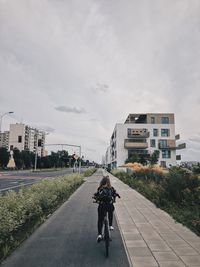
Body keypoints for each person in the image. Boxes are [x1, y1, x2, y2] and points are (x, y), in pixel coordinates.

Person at [93, 175, 120, 242]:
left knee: (100, 219)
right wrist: (116, 196)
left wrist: (95, 197)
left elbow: (96, 195)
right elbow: (115, 194)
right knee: (111, 212)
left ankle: (99, 235)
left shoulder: (100, 188)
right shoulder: (111, 188)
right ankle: (110, 225)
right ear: (109, 182)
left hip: (102, 206)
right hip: (109, 206)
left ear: (102, 182)